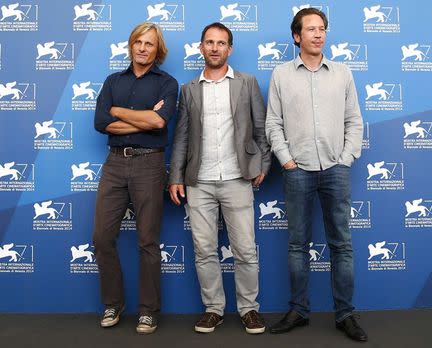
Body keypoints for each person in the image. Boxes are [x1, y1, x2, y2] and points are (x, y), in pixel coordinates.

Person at [265, 8, 367, 342]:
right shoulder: (281, 75)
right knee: (297, 245)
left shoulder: (342, 73)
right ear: (297, 36)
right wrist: (287, 161)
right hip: (297, 171)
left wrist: (346, 157)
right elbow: (273, 123)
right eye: (310, 29)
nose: (318, 34)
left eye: (322, 28)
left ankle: (345, 314)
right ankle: (298, 310)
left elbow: (354, 120)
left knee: (342, 245)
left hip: (335, 169)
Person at [168, 22, 270, 334]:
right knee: (204, 250)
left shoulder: (247, 82)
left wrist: (263, 165)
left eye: (221, 43)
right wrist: (176, 177)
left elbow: (260, 127)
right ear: (201, 48)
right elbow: (181, 138)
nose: (215, 48)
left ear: (230, 48)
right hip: (199, 182)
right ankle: (213, 309)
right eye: (210, 42)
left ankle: (249, 309)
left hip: (238, 178)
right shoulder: (189, 90)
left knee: (245, 250)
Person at [93, 22, 178, 334]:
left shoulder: (167, 83)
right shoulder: (113, 81)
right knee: (102, 238)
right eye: (139, 43)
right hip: (114, 164)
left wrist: (120, 112)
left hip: (149, 165)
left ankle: (148, 310)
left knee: (147, 241)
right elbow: (101, 122)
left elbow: (159, 121)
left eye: (150, 44)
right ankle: (113, 304)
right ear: (131, 46)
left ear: (158, 50)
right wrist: (138, 117)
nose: (143, 48)